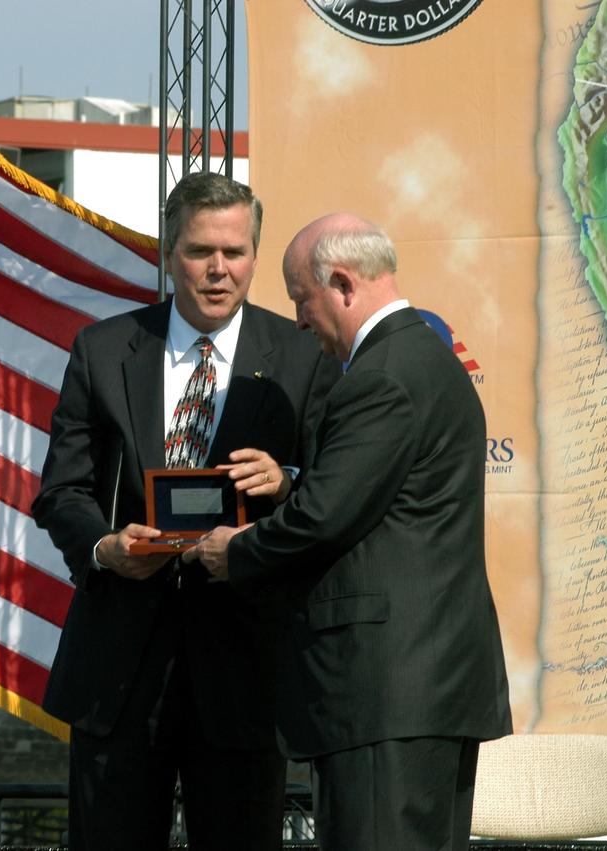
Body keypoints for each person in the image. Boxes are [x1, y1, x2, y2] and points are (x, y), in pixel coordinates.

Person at [184, 213, 512, 850]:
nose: (301, 322)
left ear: (340, 284)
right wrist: (290, 481)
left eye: (301, 300)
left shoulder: (379, 377)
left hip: (385, 693)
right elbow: (375, 495)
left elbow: (323, 521)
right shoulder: (424, 357)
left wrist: (237, 551)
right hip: (424, 689)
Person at [32, 173, 338, 850]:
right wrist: (107, 546)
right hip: (118, 668)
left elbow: (331, 486)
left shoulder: (300, 356)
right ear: (170, 251)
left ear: (256, 254)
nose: (220, 269)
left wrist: (284, 482)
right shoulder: (105, 348)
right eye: (202, 251)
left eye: (236, 251)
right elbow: (61, 491)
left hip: (244, 670)